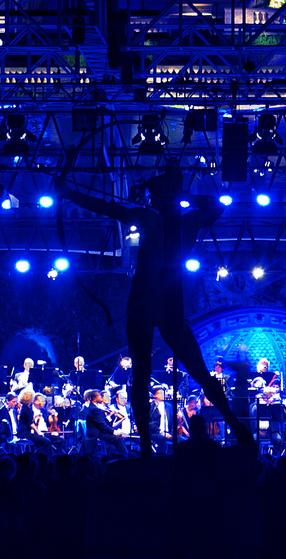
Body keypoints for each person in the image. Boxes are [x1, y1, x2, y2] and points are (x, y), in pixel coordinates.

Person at [57, 163, 254, 454]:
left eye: (156, 194)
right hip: (155, 300)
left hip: (156, 300)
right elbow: (108, 207)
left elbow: (215, 206)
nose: (151, 199)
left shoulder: (171, 220)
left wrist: (71, 193)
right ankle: (150, 447)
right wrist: (71, 194)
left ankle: (232, 430)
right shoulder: (170, 220)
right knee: (150, 371)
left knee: (190, 370)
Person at [82, 389, 122, 456]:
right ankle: (125, 458)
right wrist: (114, 432)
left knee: (118, 439)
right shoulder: (93, 409)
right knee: (118, 439)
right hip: (97, 434)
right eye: (99, 395)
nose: (101, 397)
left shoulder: (95, 408)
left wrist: (109, 416)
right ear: (94, 398)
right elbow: (101, 424)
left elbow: (101, 421)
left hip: (100, 432)